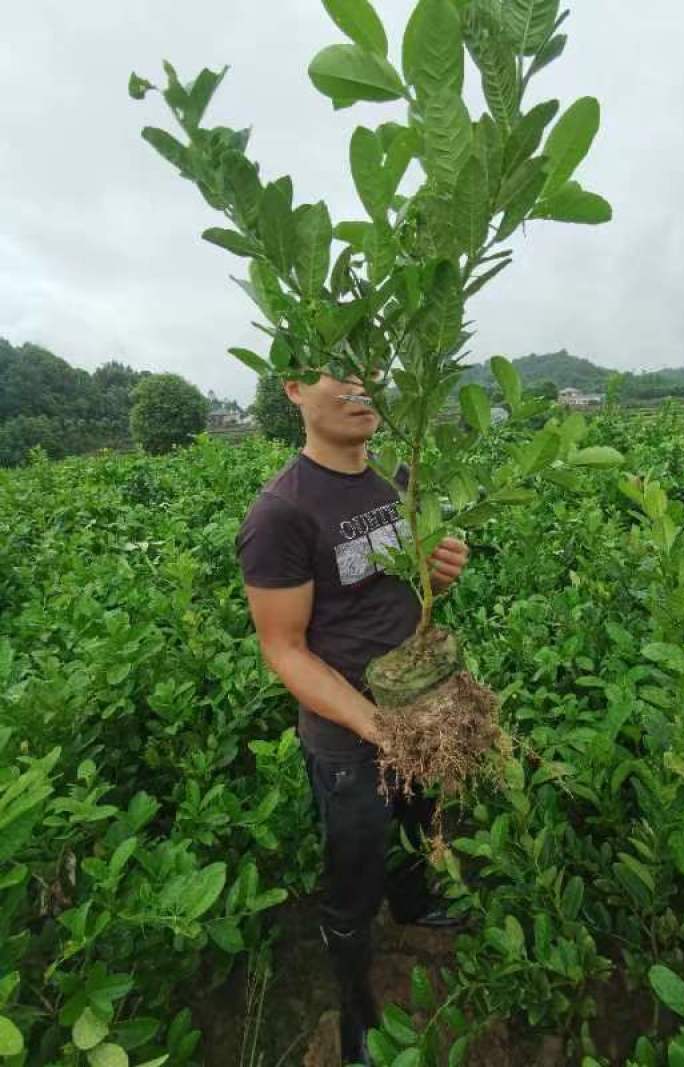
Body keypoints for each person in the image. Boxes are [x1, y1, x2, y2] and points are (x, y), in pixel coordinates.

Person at [235, 368, 469, 1066]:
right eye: (339, 370)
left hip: (418, 713)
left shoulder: (399, 478)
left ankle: (416, 903)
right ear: (293, 389)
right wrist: (375, 727)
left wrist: (439, 573)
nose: (363, 384)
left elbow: (394, 594)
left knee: (423, 820)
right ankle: (356, 1016)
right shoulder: (281, 512)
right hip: (347, 741)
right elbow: (284, 648)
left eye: (371, 366)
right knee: (351, 881)